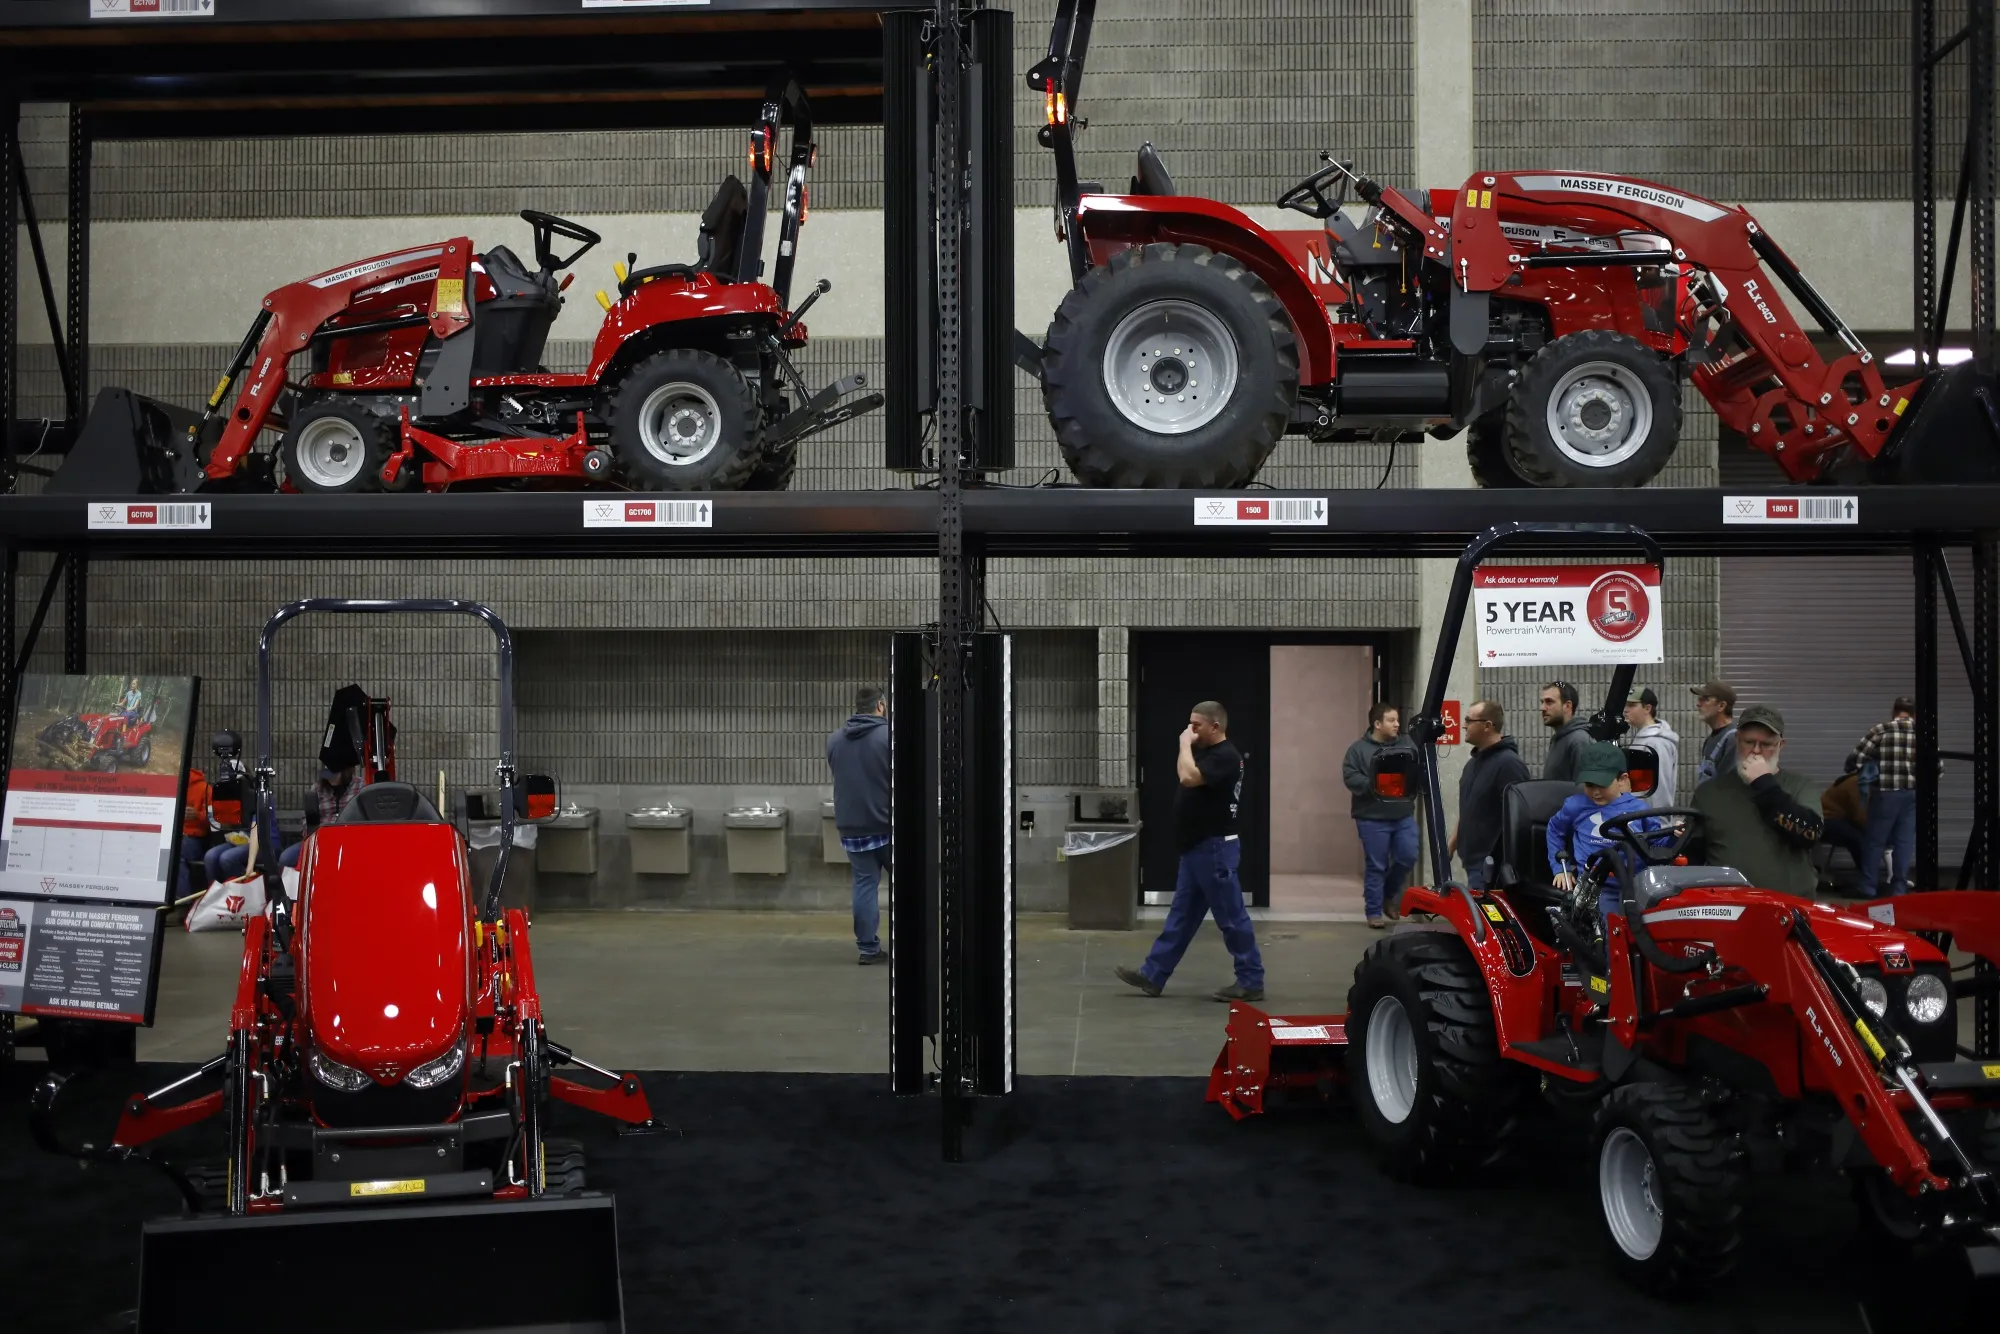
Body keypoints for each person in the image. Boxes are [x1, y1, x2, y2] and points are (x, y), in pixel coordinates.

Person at [1116, 700, 1264, 1002]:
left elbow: (1187, 777)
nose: (1190, 730)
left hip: (1214, 849)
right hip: (1197, 848)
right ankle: (1154, 974)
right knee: (1181, 917)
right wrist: (1189, 746)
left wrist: (1184, 744)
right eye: (1189, 725)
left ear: (1215, 726)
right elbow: (1187, 773)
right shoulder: (1208, 754)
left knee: (1231, 917)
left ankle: (1251, 979)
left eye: (1196, 725)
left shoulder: (1225, 755)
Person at [1690, 704, 1821, 897]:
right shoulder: (1709, 792)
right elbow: (1693, 856)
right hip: (1729, 908)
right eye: (1749, 742)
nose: (1756, 751)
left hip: (1791, 910)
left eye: (1766, 744)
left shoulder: (1800, 787)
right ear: (1737, 739)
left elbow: (1810, 833)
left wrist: (1764, 783)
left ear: (1780, 745)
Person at [1547, 743, 1659, 923]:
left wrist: (1675, 835)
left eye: (1603, 784)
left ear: (1622, 779)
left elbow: (1657, 843)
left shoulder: (1639, 809)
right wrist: (1561, 868)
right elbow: (1554, 829)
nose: (1596, 792)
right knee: (1611, 931)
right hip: (1598, 887)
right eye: (1590, 785)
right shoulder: (1576, 806)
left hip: (1638, 884)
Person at [826, 686, 891, 965]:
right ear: (880, 706)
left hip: (852, 826)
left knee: (864, 885)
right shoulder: (889, 737)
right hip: (887, 824)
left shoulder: (834, 740)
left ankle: (868, 948)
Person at [1342, 702, 1419, 928]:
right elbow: (1350, 777)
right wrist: (1377, 784)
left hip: (1403, 814)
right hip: (1371, 817)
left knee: (1408, 855)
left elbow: (1415, 771)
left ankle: (1388, 894)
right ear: (1377, 724)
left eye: (1397, 720)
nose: (1397, 724)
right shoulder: (1357, 750)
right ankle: (1374, 911)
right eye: (1391, 720)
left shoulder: (1406, 746)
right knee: (1376, 865)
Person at [1451, 699, 1530, 891]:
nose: (1464, 725)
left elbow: (1520, 817)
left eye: (1469, 720)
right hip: (1473, 862)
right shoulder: (1473, 764)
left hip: (1492, 866)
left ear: (1487, 726)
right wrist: (1451, 846)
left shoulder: (1509, 764)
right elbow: (1468, 809)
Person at [1850, 696, 1918, 897]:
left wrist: (1870, 770)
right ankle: (1899, 888)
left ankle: (1868, 887)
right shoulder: (1922, 734)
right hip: (1911, 795)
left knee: (1875, 842)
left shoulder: (1881, 730)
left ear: (1894, 711)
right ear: (1913, 714)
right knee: (1904, 842)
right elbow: (1938, 768)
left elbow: (1856, 758)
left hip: (1885, 794)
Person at [1623, 687, 1681, 808]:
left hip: (1651, 819)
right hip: (1639, 816)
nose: (1626, 710)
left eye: (1632, 705)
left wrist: (1657, 822)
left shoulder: (1657, 742)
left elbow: (1660, 788)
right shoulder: (1644, 737)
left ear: (1647, 708)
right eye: (1626, 705)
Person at [1819, 758, 1870, 892]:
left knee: (1859, 837)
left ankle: (1868, 877)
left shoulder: (1855, 779)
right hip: (1828, 820)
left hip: (1834, 819)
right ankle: (1867, 878)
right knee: (1858, 839)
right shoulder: (1856, 783)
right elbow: (1859, 815)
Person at [1540, 680, 1593, 783]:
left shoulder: (1579, 741)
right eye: (1542, 702)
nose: (1542, 708)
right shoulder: (1559, 739)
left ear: (1568, 706)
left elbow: (1585, 790)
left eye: (1549, 702)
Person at [1691, 680, 1739, 785]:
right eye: (1699, 699)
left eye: (1705, 699)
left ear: (1721, 706)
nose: (1698, 704)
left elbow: (1731, 790)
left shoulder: (1733, 739)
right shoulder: (1711, 738)